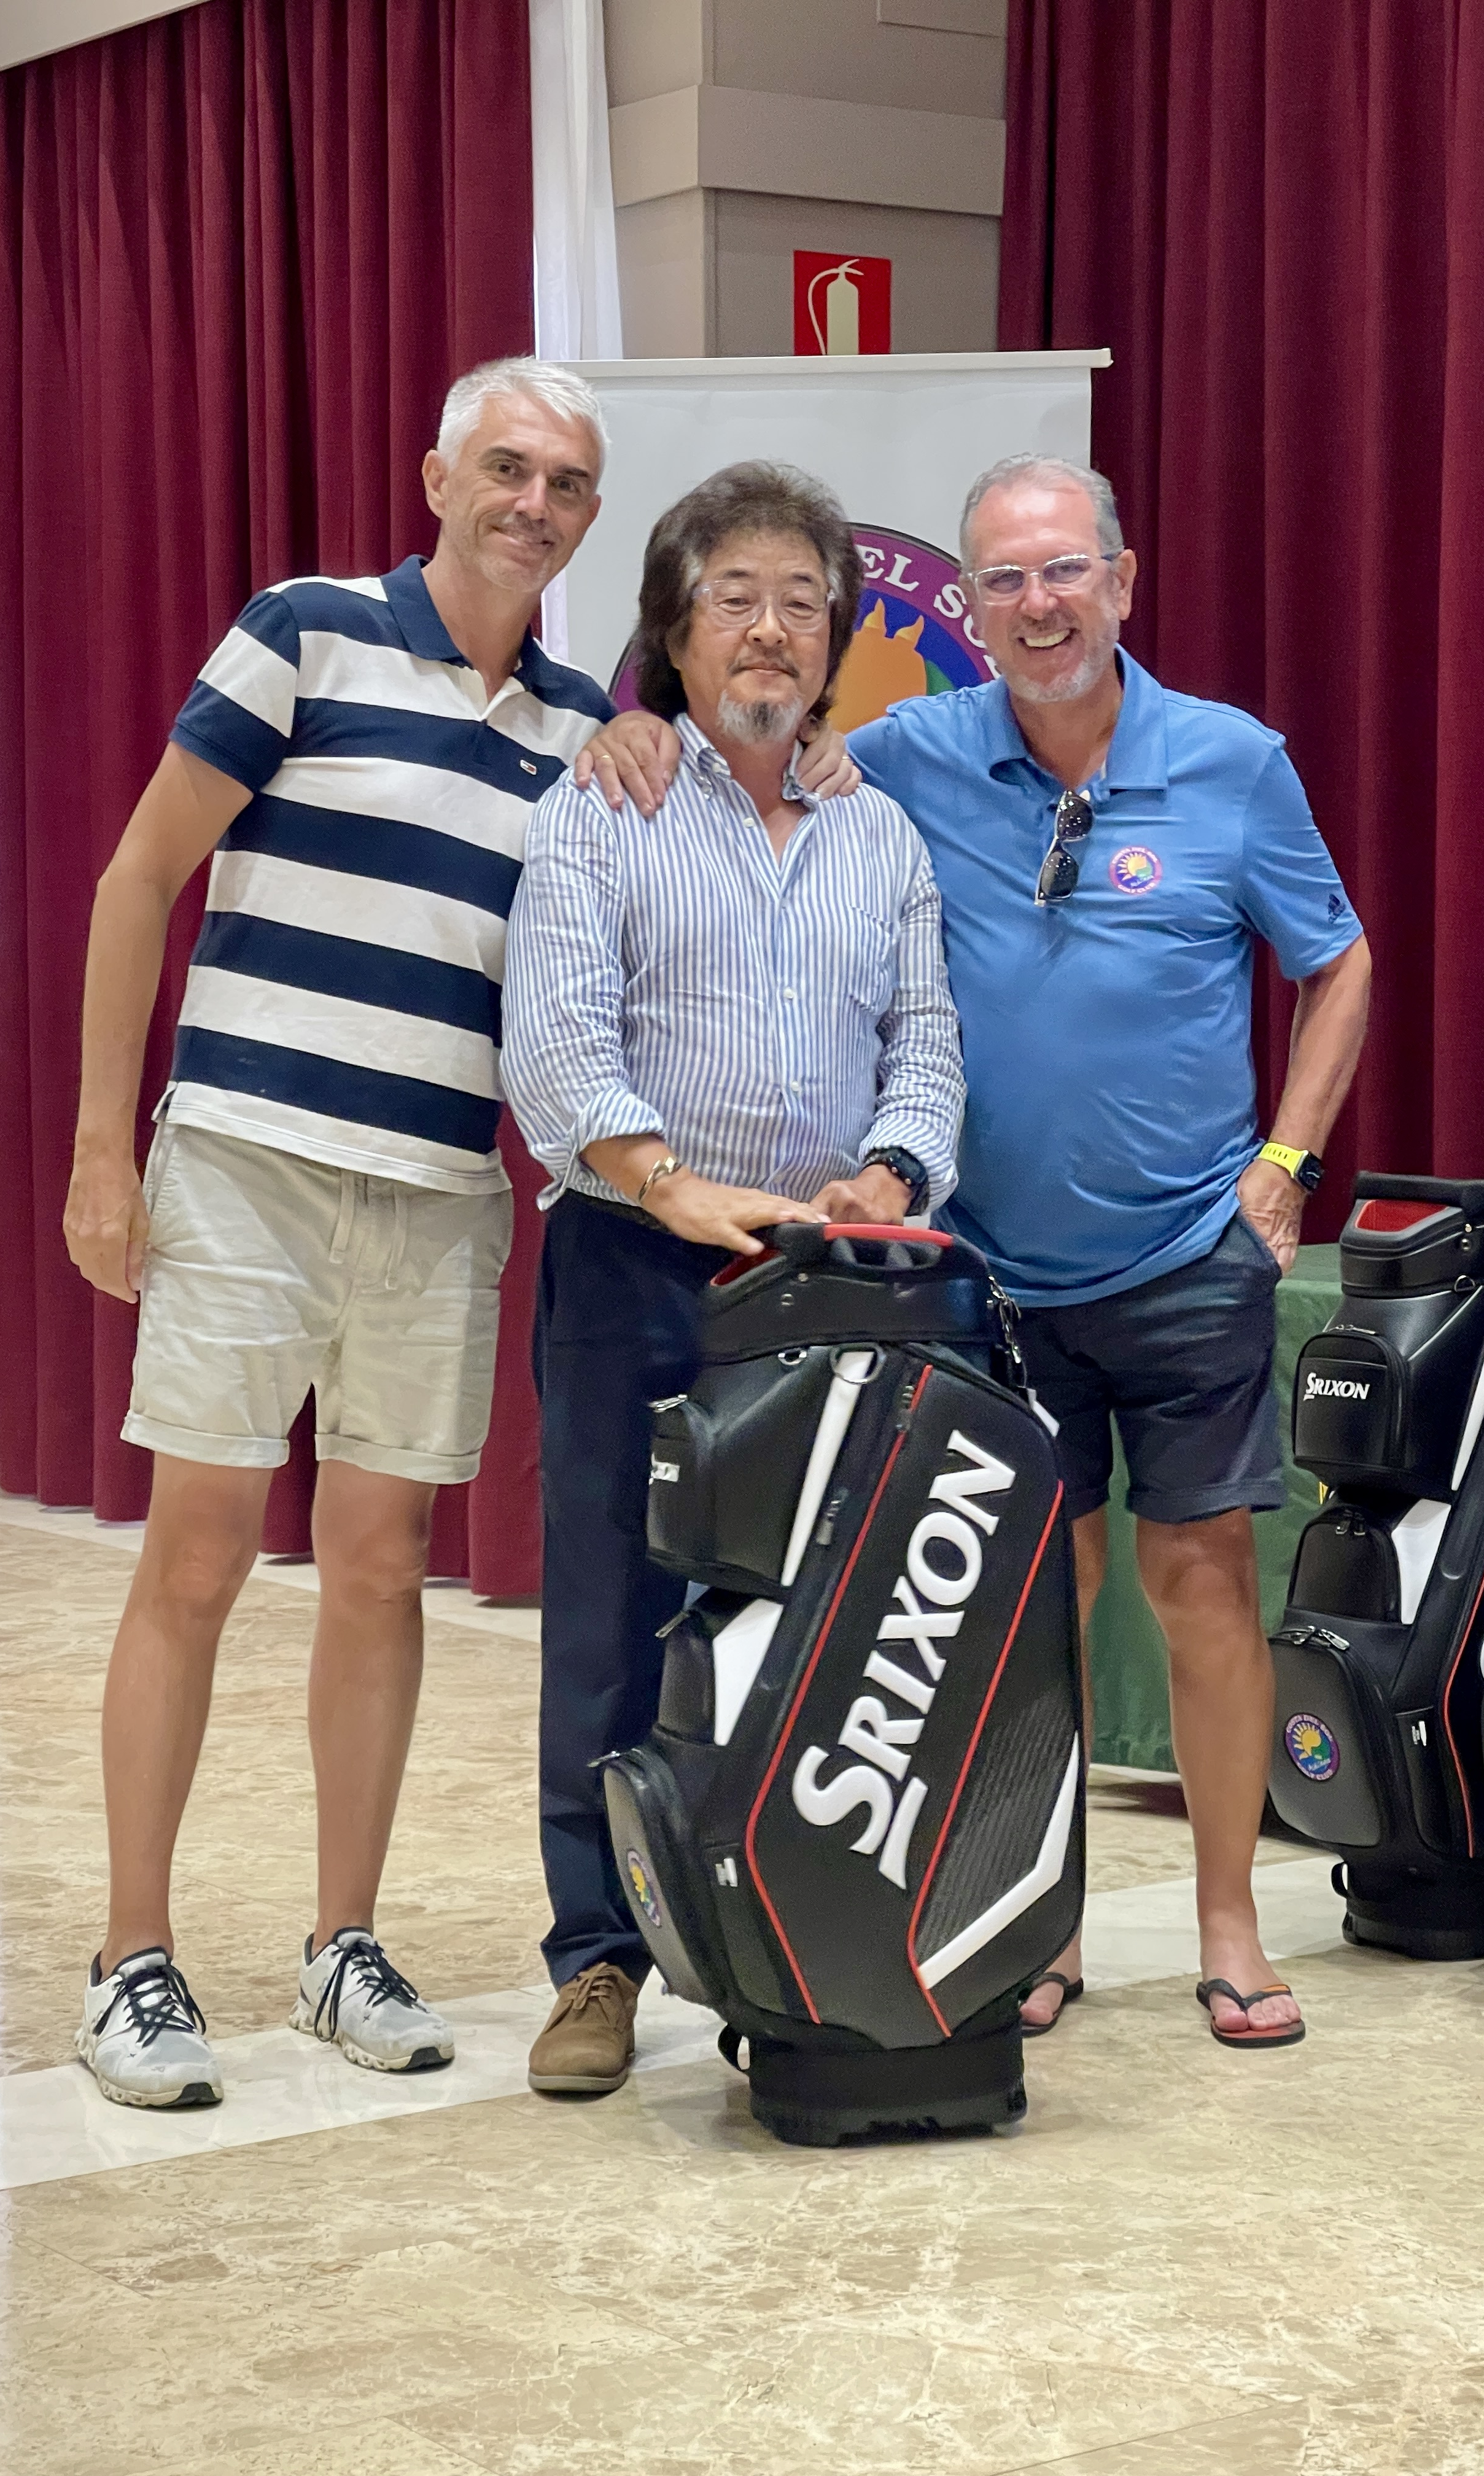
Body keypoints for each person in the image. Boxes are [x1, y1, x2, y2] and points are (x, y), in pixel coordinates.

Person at [574, 452, 1372, 2054]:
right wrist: (634, 720)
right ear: (973, 605)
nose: (1036, 603)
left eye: (1065, 569)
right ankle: (1039, 1919)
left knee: (1204, 1586)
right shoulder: (909, 755)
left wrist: (1284, 1165)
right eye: (1002, 578)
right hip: (990, 1278)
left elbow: (1337, 963)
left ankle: (1228, 1925)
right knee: (1028, 1609)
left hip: (1186, 1259)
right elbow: (754, 746)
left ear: (1122, 582)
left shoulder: (1233, 763)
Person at [61, 357, 620, 2108]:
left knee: (381, 1568)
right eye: (508, 468)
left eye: (568, 484)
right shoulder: (303, 634)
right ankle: (130, 1961)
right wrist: (101, 1151)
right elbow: (138, 879)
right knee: (201, 1553)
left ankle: (341, 1946)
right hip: (250, 1159)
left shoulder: (584, 732)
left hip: (440, 1191)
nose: (534, 505)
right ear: (440, 478)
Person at [501, 461, 965, 2098]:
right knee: (612, 1624)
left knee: (825, 1620)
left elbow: (928, 1043)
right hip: (637, 1262)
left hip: (832, 1281)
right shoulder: (602, 806)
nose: (770, 631)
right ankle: (598, 1958)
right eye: (735, 600)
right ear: (675, 632)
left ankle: (796, 1935)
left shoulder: (877, 828)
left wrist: (892, 1175)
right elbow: (555, 1039)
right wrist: (668, 1183)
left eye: (801, 603)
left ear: (836, 637)